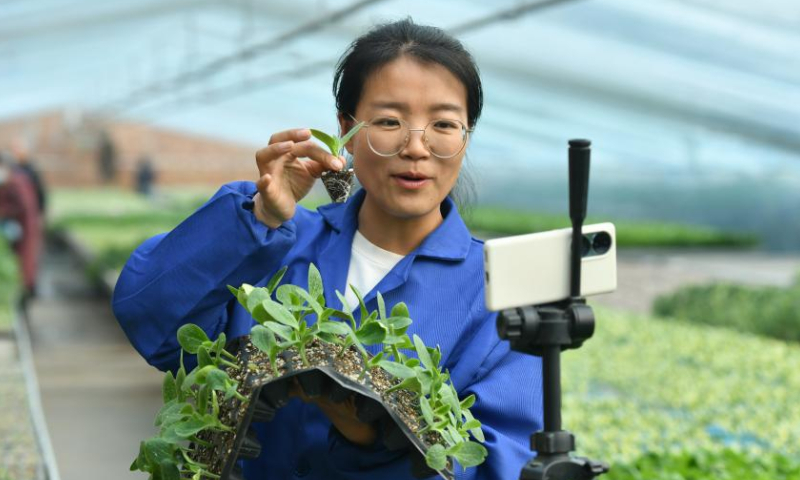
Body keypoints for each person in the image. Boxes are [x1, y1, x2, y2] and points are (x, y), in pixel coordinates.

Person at [113, 18, 543, 480]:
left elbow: (500, 462)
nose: (416, 147)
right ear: (346, 130)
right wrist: (258, 217)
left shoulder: (502, 292)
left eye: (443, 123)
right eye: (388, 121)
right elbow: (149, 316)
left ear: (466, 137)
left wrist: (372, 434)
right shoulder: (275, 244)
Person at [0, 150, 42, 301]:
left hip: (25, 228)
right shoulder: (13, 180)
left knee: (25, 261)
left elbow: (23, 206)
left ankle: (25, 294)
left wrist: (4, 211)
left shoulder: (17, 182)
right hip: (21, 227)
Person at [10, 138, 47, 215]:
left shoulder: (32, 169)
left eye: (18, 148)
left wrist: (41, 211)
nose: (16, 151)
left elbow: (40, 191)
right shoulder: (13, 169)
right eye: (14, 149)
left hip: (31, 209)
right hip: (17, 211)